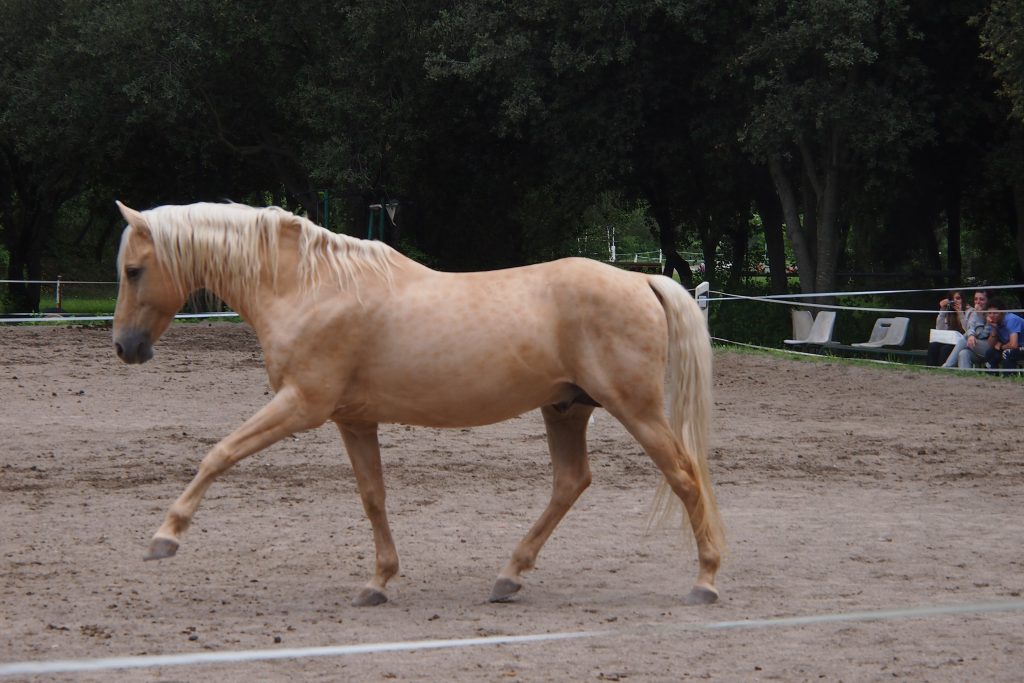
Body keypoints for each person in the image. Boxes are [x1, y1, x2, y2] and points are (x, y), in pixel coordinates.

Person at [944, 289, 991, 369]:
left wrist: (979, 316)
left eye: (981, 299)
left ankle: (947, 366)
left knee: (964, 339)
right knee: (963, 353)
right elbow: (970, 328)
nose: (978, 302)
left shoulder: (991, 313)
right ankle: (965, 376)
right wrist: (971, 335)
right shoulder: (975, 312)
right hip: (976, 346)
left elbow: (981, 335)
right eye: (976, 299)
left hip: (989, 348)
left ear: (988, 301)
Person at [983, 300, 1024, 371]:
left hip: (1021, 346)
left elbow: (1013, 345)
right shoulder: (993, 322)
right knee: (990, 352)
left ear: (1002, 313)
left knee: (1007, 353)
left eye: (995, 313)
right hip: (1016, 347)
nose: (992, 316)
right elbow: (991, 344)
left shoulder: (1011, 319)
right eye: (989, 313)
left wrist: (1001, 346)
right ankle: (991, 376)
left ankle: (1009, 377)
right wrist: (993, 328)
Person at [926, 290, 964, 366]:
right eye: (952, 299)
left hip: (961, 341)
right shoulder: (949, 312)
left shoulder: (968, 311)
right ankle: (930, 370)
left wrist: (960, 314)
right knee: (933, 346)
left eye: (958, 298)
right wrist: (942, 310)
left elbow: (968, 329)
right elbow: (939, 328)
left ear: (963, 299)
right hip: (949, 340)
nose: (955, 301)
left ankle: (942, 370)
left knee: (945, 349)